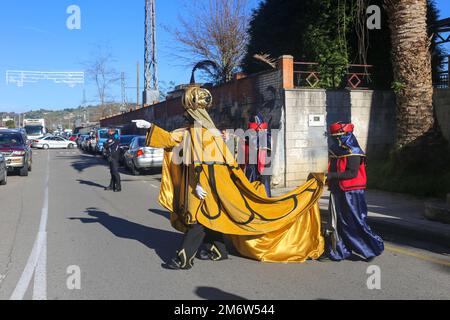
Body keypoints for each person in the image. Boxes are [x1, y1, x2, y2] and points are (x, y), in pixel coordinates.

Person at [134, 85, 325, 270]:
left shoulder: (205, 133)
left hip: (204, 185)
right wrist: (150, 126)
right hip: (201, 184)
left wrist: (201, 185)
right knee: (210, 217)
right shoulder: (194, 131)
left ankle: (183, 259)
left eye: (187, 112)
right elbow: (171, 139)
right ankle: (218, 250)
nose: (185, 115)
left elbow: (210, 164)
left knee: (198, 220)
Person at [324, 122, 384, 262]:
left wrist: (331, 176)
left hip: (353, 192)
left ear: (346, 136)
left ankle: (371, 249)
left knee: (356, 221)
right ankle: (340, 251)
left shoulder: (354, 151)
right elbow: (333, 169)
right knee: (338, 223)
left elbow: (351, 173)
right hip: (338, 191)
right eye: (334, 137)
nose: (336, 140)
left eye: (338, 137)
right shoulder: (335, 150)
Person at [245, 113, 272, 197]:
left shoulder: (263, 134)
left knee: (263, 180)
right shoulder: (265, 133)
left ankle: (263, 197)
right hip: (255, 159)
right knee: (255, 178)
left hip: (261, 157)